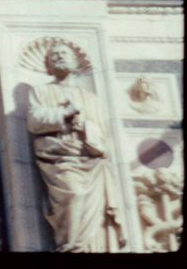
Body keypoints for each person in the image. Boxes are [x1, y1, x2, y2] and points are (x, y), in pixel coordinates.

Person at [26, 44, 126, 252]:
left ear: (75, 62)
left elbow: (104, 136)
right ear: (48, 65)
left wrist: (85, 127)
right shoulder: (41, 91)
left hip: (89, 158)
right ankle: (70, 246)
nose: (58, 57)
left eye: (63, 53)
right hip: (60, 157)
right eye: (53, 55)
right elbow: (34, 121)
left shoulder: (91, 99)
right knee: (75, 194)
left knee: (93, 210)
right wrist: (63, 113)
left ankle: (91, 247)